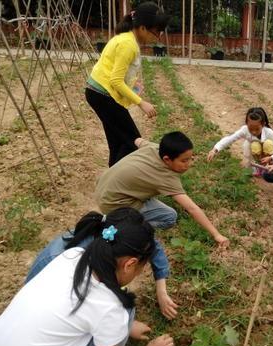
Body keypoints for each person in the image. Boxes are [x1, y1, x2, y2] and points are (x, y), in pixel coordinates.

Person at [0, 220, 175, 346]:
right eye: (141, 268)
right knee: (124, 313)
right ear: (130, 264)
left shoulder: (72, 255)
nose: (140, 273)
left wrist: (126, 328)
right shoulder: (110, 308)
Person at [26, 208, 178, 320]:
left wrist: (161, 290)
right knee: (124, 312)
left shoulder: (106, 236)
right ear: (129, 264)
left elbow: (151, 245)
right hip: (41, 324)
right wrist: (126, 327)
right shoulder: (69, 265)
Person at [95, 131, 229, 248]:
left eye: (190, 158)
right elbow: (192, 208)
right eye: (184, 161)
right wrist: (217, 234)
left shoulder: (154, 147)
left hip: (103, 187)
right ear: (167, 159)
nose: (189, 164)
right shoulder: (166, 177)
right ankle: (120, 226)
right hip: (113, 203)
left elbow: (137, 140)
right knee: (169, 217)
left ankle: (119, 217)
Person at [85, 2, 168, 166]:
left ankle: (111, 183)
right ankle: (114, 184)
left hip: (99, 93)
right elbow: (115, 80)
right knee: (133, 142)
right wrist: (141, 103)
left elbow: (117, 73)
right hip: (103, 95)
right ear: (143, 28)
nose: (157, 36)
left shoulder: (125, 39)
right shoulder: (128, 44)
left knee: (118, 142)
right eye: (156, 31)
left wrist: (133, 85)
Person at [207, 107, 273, 176]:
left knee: (268, 144)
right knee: (253, 145)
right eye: (251, 128)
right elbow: (230, 139)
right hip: (257, 156)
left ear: (263, 124)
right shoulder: (245, 130)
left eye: (257, 129)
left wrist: (271, 158)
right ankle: (258, 166)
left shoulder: (269, 132)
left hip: (271, 158)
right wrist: (215, 149)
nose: (253, 132)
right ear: (246, 123)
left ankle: (269, 166)